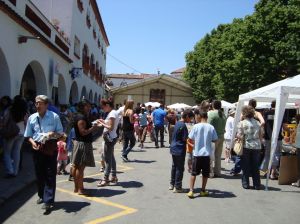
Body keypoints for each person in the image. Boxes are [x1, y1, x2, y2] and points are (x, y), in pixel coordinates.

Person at [24, 95, 63, 212]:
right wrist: (32, 143)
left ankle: (48, 200)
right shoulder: (32, 117)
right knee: (39, 173)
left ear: (46, 105)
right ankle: (41, 195)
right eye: (36, 103)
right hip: (37, 147)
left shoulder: (54, 116)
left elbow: (60, 133)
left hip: (50, 146)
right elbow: (28, 135)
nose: (37, 105)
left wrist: (52, 134)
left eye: (40, 103)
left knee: (50, 173)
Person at [186, 109, 218, 198]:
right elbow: (215, 139)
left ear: (199, 116)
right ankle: (203, 190)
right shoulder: (211, 127)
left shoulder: (196, 126)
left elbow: (190, 138)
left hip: (197, 154)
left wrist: (194, 144)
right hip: (206, 154)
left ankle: (191, 191)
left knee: (193, 173)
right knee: (205, 174)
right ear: (207, 117)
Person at [71, 99, 100, 195]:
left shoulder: (79, 116)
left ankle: (77, 188)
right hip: (82, 144)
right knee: (80, 168)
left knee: (76, 166)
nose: (89, 107)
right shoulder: (81, 118)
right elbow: (83, 132)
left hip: (79, 143)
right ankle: (80, 189)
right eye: (87, 106)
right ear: (83, 107)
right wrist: (93, 128)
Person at [1, 95, 28, 178]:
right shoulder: (25, 111)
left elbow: (4, 121)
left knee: (7, 152)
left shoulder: (10, 110)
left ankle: (10, 171)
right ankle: (15, 171)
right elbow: (27, 122)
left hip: (11, 133)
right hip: (22, 133)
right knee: (17, 152)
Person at [237, 106, 263, 190]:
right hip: (257, 146)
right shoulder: (258, 123)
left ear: (244, 113)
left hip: (246, 146)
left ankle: (246, 183)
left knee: (246, 165)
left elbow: (240, 135)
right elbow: (261, 135)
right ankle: (257, 184)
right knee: (255, 166)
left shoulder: (242, 123)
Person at [260, 100, 288, 179]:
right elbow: (285, 127)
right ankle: (272, 174)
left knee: (267, 155)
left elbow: (263, 124)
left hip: (268, 137)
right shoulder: (280, 113)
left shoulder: (266, 113)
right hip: (277, 138)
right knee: (276, 155)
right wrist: (290, 131)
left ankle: (263, 172)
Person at [169, 109, 194, 193]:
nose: (190, 120)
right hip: (179, 148)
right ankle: (178, 186)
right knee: (179, 168)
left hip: (173, 147)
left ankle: (172, 184)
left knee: (174, 166)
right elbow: (185, 139)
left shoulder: (178, 123)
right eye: (190, 118)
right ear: (187, 117)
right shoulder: (183, 126)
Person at [97, 98, 120, 187]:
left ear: (107, 106)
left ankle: (105, 179)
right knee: (111, 157)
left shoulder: (112, 113)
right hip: (111, 137)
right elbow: (110, 125)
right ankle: (113, 176)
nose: (103, 109)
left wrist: (102, 123)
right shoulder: (112, 113)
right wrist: (103, 121)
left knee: (107, 160)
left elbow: (110, 127)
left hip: (110, 138)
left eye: (103, 107)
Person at [208, 100, 226, 177]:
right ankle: (217, 172)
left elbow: (208, 127)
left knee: (210, 155)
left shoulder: (211, 114)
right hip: (221, 136)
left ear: (213, 105)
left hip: (213, 138)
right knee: (218, 156)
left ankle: (210, 172)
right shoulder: (223, 114)